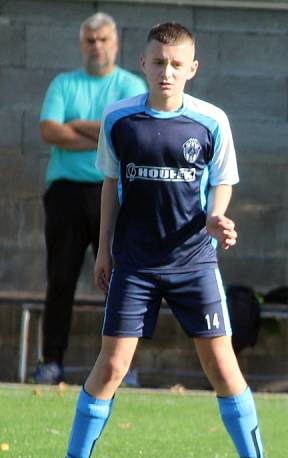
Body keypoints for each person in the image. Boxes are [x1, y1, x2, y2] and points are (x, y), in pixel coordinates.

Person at [42, 22, 277, 458]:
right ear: (142, 64)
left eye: (176, 64)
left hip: (194, 263)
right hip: (136, 264)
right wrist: (105, 249)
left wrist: (217, 217)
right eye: (158, 62)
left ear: (192, 68)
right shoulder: (120, 119)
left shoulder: (211, 120)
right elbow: (110, 184)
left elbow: (223, 180)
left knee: (222, 366)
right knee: (111, 366)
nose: (166, 72)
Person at [34, 12, 147, 385]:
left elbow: (130, 134)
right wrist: (102, 132)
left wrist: (79, 126)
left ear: (115, 44)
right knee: (61, 278)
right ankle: (52, 362)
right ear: (82, 44)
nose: (96, 46)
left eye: (103, 40)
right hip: (66, 193)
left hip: (115, 193)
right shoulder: (64, 84)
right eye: (89, 40)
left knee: (119, 278)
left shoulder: (131, 85)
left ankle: (122, 366)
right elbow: (50, 130)